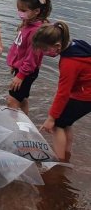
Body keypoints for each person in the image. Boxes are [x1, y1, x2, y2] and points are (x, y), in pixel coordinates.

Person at [34, 21, 91, 163]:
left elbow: (63, 93)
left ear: (58, 46)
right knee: (66, 121)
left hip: (86, 95)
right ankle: (67, 154)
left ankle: (58, 161)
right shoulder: (78, 44)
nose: (45, 54)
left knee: (58, 125)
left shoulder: (69, 62)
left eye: (46, 50)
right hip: (85, 90)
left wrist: (51, 118)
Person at [6, 0, 52, 114]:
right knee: (23, 99)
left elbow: (32, 58)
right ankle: (26, 125)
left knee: (12, 101)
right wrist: (14, 64)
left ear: (36, 11)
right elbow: (19, 47)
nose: (20, 13)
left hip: (26, 72)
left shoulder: (36, 32)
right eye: (18, 9)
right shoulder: (27, 24)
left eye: (23, 10)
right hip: (22, 69)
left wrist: (21, 75)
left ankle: (15, 130)